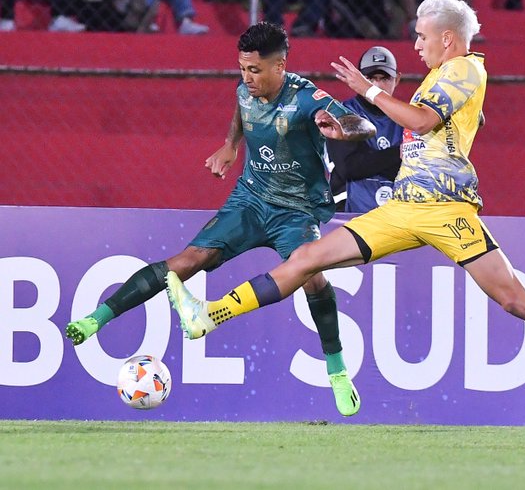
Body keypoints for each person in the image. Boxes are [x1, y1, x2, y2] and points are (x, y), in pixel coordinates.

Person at [166, 0, 525, 428]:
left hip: (447, 212)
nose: (417, 45)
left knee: (515, 300)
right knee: (306, 260)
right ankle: (210, 315)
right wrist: (369, 125)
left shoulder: (464, 69)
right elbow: (429, 130)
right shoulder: (443, 76)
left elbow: (424, 120)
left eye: (423, 37)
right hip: (404, 205)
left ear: (447, 38)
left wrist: (368, 91)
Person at [65, 22, 377, 417]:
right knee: (185, 263)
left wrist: (343, 131)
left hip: (296, 211)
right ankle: (97, 319)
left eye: (255, 70)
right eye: (242, 69)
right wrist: (230, 145)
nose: (247, 78)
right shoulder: (245, 89)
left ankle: (336, 370)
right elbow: (241, 111)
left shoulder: (306, 98)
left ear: (280, 66)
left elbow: (362, 125)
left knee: (313, 278)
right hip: (250, 200)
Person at [327, 46, 403, 212]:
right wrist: (398, 153)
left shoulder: (407, 117)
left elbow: (416, 170)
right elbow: (350, 167)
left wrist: (369, 160)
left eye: (385, 78)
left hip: (396, 215)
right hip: (347, 214)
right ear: (358, 79)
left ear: (397, 80)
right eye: (370, 78)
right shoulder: (341, 113)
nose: (376, 85)